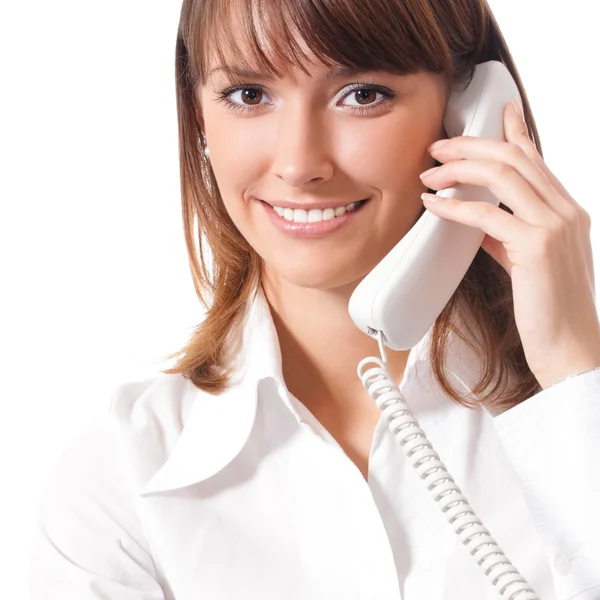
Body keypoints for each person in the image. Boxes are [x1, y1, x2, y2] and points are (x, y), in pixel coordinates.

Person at [29, 0, 600, 598]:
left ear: (466, 115)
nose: (300, 164)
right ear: (198, 116)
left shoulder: (571, 415)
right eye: (249, 95)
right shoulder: (121, 479)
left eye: (361, 93)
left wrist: (572, 374)